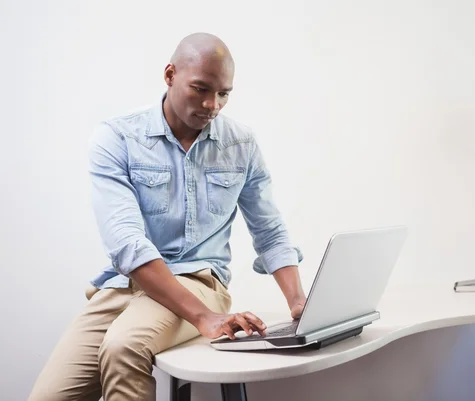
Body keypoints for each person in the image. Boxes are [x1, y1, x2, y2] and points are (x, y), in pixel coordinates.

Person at [28, 32, 306, 401]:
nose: (213, 104)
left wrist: (298, 301)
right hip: (124, 287)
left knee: (123, 347)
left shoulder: (241, 144)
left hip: (200, 282)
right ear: (170, 74)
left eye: (224, 93)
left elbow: (269, 231)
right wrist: (203, 320)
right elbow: (126, 242)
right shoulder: (118, 138)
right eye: (200, 89)